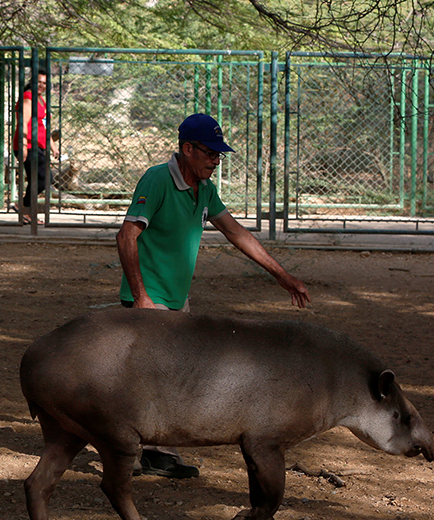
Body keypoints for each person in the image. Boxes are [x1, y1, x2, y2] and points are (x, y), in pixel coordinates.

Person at [117, 113, 311, 478]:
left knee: (173, 376)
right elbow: (126, 236)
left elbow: (237, 233)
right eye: (210, 153)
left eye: (219, 155)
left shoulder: (204, 189)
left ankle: (156, 452)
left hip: (177, 299)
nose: (215, 160)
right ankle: (135, 451)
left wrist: (282, 276)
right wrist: (141, 298)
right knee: (154, 377)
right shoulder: (158, 179)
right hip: (150, 298)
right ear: (187, 149)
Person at [12, 70, 58, 225]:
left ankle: (27, 213)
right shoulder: (28, 98)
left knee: (37, 180)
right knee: (45, 178)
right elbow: (23, 123)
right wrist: (23, 146)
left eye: (44, 83)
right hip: (29, 145)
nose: (41, 85)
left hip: (39, 145)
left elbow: (44, 126)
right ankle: (23, 207)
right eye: (39, 81)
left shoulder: (41, 101)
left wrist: (52, 146)